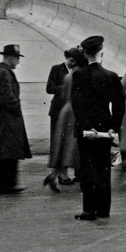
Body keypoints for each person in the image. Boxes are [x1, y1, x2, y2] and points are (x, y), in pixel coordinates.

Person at [71, 36, 125, 221]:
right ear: (101, 52)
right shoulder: (111, 76)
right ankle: (104, 209)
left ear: (85, 54)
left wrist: (86, 127)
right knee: (104, 168)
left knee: (88, 168)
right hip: (105, 129)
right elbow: (119, 106)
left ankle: (89, 209)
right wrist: (113, 128)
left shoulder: (79, 75)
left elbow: (77, 105)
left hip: (87, 131)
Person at [0, 44, 32, 194]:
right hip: (6, 116)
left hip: (4, 115)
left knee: (6, 150)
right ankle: (7, 185)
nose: (18, 62)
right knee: (7, 150)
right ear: (11, 58)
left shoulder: (1, 71)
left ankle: (6, 184)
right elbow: (7, 97)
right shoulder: (4, 73)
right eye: (17, 59)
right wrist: (16, 106)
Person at [44, 49, 80, 190]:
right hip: (58, 110)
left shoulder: (73, 73)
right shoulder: (57, 69)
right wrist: (65, 88)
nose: (71, 64)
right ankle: (61, 174)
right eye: (70, 61)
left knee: (65, 144)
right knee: (60, 144)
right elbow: (49, 88)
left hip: (66, 111)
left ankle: (60, 174)